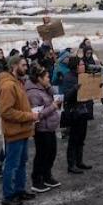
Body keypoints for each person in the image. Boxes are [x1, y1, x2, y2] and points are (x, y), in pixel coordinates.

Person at [0, 55, 39, 205]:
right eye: (23, 65)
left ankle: (20, 190)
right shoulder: (8, 86)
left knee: (21, 162)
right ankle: (8, 196)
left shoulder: (17, 83)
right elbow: (6, 111)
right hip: (14, 132)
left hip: (23, 130)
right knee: (11, 165)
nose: (26, 67)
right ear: (14, 66)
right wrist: (29, 116)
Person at [25, 65, 62, 193]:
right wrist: (52, 107)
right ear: (39, 78)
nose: (49, 79)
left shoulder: (44, 88)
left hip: (50, 127)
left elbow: (56, 95)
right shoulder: (33, 93)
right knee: (42, 154)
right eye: (47, 77)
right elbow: (37, 115)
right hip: (42, 129)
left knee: (52, 152)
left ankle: (47, 176)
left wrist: (48, 87)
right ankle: (37, 180)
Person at [62, 57, 94, 174]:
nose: (83, 66)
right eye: (81, 65)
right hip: (74, 112)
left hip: (83, 111)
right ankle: (71, 164)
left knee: (81, 138)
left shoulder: (82, 76)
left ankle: (79, 161)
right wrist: (76, 88)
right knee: (73, 139)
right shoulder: (68, 78)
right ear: (75, 66)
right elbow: (66, 96)